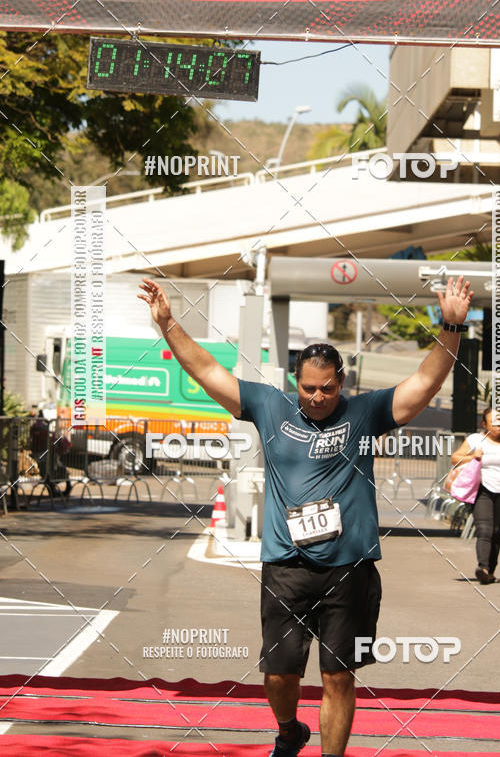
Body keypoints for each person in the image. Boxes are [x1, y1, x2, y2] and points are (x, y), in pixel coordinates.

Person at [138, 275, 473, 757]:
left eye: (328, 388)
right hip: (286, 567)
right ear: (297, 381)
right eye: (309, 388)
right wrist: (168, 323)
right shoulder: (270, 407)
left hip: (349, 568)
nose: (317, 397)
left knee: (339, 676)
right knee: (278, 674)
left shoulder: (365, 413)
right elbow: (209, 371)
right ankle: (289, 729)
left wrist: (451, 327)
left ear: (343, 383)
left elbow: (424, 382)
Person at [450, 407, 500, 585]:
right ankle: (483, 568)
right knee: (484, 529)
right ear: (484, 424)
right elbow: (455, 458)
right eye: (494, 423)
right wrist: (472, 456)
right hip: (483, 489)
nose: (498, 426)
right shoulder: (475, 439)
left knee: (496, 530)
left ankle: (491, 570)